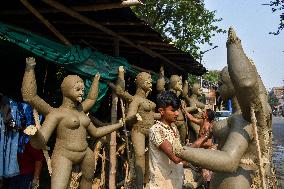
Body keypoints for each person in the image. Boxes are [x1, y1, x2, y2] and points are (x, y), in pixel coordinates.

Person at [174, 27, 277, 189]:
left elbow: (229, 161)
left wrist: (180, 150)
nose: (218, 87)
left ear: (234, 84)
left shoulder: (244, 118)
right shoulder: (239, 115)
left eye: (221, 83)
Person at [22, 57, 139, 189]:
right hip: (64, 155)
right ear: (66, 90)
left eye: (82, 90)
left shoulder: (81, 111)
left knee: (87, 183)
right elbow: (30, 97)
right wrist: (29, 69)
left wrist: (120, 123)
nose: (81, 93)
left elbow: (95, 129)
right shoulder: (56, 113)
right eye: (77, 89)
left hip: (85, 154)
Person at [148, 90, 208, 189]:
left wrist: (193, 165)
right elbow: (176, 157)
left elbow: (179, 158)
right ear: (161, 111)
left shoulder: (174, 128)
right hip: (162, 184)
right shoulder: (157, 130)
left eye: (177, 110)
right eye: (172, 110)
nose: (176, 113)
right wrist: (204, 138)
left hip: (175, 181)